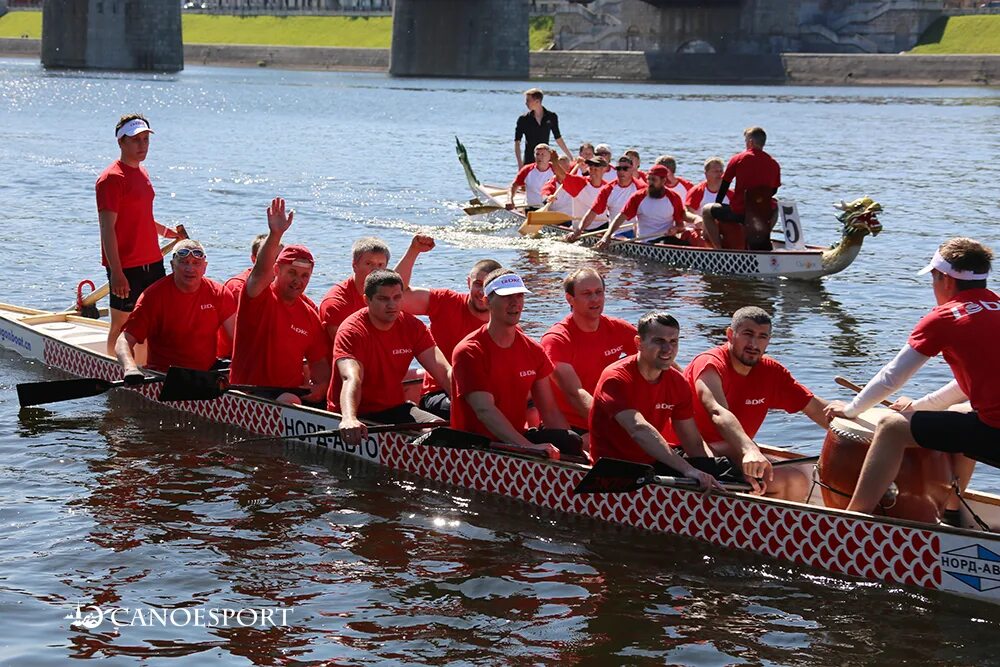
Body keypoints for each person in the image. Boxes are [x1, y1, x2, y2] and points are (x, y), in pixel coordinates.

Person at [825, 239, 1000, 518]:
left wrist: (850, 410)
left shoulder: (944, 318)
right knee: (959, 412)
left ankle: (854, 521)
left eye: (933, 278)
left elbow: (891, 377)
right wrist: (919, 407)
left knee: (892, 427)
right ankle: (953, 514)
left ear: (943, 279)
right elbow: (968, 386)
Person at [678, 306, 829, 499]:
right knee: (793, 480)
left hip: (733, 450)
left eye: (762, 337)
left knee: (794, 477)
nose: (754, 343)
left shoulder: (771, 372)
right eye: (747, 334)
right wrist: (749, 450)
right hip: (688, 452)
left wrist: (859, 426)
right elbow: (718, 413)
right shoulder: (710, 365)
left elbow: (815, 408)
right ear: (731, 334)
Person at [451, 270, 583, 456]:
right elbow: (484, 410)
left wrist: (579, 455)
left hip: (513, 441)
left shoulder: (533, 350)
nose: (515, 303)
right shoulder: (469, 351)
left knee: (571, 441)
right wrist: (527, 447)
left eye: (519, 295)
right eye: (506, 297)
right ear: (487, 302)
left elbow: (550, 412)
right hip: (475, 447)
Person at [589, 311, 723, 491]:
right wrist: (688, 470)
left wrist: (706, 472)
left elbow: (692, 442)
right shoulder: (616, 378)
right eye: (659, 341)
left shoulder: (678, 382)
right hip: (612, 471)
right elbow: (638, 429)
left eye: (673, 342)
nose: (667, 349)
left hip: (652, 463)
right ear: (638, 343)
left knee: (727, 470)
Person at [331, 270, 452, 446]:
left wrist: (471, 408)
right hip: (356, 414)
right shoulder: (352, 331)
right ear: (367, 300)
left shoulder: (414, 327)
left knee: (442, 432)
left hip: (394, 408)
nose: (392, 305)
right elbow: (351, 378)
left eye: (397, 297)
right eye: (383, 299)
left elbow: (444, 371)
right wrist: (349, 418)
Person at [229, 197, 330, 406]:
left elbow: (319, 362)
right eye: (292, 272)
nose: (298, 281)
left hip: (291, 394)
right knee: (290, 400)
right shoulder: (257, 296)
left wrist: (321, 384)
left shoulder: (310, 314)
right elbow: (259, 272)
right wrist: (276, 234)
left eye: (304, 276)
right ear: (277, 270)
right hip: (249, 393)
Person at [96, 114, 180, 357]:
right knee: (121, 324)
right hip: (126, 266)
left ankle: (147, 365)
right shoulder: (111, 179)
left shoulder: (142, 173)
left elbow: (141, 217)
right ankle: (112, 364)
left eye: (145, 140)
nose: (142, 146)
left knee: (152, 321)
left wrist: (166, 232)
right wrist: (117, 272)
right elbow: (107, 228)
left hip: (153, 261)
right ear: (121, 142)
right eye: (136, 141)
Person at [396, 247, 502, 419]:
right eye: (477, 284)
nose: (482, 292)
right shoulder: (446, 302)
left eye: (488, 286)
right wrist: (413, 251)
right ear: (468, 282)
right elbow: (398, 295)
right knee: (476, 409)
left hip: (486, 396)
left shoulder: (504, 319)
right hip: (439, 393)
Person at [540, 269, 637, 445]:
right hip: (570, 428)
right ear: (570, 299)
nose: (595, 299)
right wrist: (618, 427)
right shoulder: (556, 339)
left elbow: (657, 359)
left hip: (609, 418)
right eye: (586, 294)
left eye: (599, 292)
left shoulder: (619, 329)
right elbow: (574, 393)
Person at [116, 240, 235, 378]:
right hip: (166, 377)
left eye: (196, 263)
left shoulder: (219, 293)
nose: (190, 269)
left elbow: (239, 339)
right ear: (173, 265)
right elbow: (124, 340)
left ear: (205, 267)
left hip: (207, 371)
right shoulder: (152, 297)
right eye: (184, 262)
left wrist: (239, 366)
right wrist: (130, 368)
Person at [319, 234, 433, 342]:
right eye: (369, 264)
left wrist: (414, 250)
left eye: (380, 265)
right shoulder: (335, 303)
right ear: (355, 266)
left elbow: (397, 284)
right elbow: (348, 347)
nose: (375, 270)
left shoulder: (388, 295)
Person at [701, 126, 781, 250]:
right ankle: (763, 238)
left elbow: (725, 184)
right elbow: (774, 190)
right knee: (775, 207)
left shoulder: (738, 158)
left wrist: (718, 203)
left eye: (745, 141)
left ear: (750, 142)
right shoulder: (774, 163)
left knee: (707, 210)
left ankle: (718, 249)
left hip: (740, 212)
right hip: (761, 214)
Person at [595, 164, 700, 249]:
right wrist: (606, 236)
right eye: (648, 179)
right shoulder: (638, 197)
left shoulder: (673, 198)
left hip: (666, 239)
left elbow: (680, 226)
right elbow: (620, 217)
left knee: (688, 245)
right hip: (646, 242)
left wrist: (675, 230)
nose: (649, 183)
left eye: (653, 180)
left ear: (663, 181)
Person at [566, 156, 644, 243]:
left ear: (632, 170)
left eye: (625, 169)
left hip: (640, 233)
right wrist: (578, 231)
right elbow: (592, 212)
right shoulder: (608, 189)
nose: (621, 171)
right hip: (616, 233)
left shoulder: (642, 188)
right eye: (618, 168)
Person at [543, 152, 612, 230]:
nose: (592, 171)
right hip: (581, 228)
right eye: (591, 168)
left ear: (604, 169)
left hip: (603, 226)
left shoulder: (608, 188)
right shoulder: (580, 183)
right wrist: (554, 161)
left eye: (596, 168)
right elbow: (562, 175)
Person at [514, 88, 571, 169]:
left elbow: (558, 138)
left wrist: (570, 156)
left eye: (528, 100)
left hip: (546, 159)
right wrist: (520, 164)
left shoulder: (551, 117)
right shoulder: (523, 119)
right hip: (529, 158)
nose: (525, 103)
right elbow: (517, 142)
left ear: (537, 101)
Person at [508, 143, 553, 211]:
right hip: (531, 208)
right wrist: (510, 200)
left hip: (551, 208)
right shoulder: (527, 170)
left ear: (549, 157)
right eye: (537, 154)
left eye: (542, 154)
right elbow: (514, 186)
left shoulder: (556, 169)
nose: (539, 157)